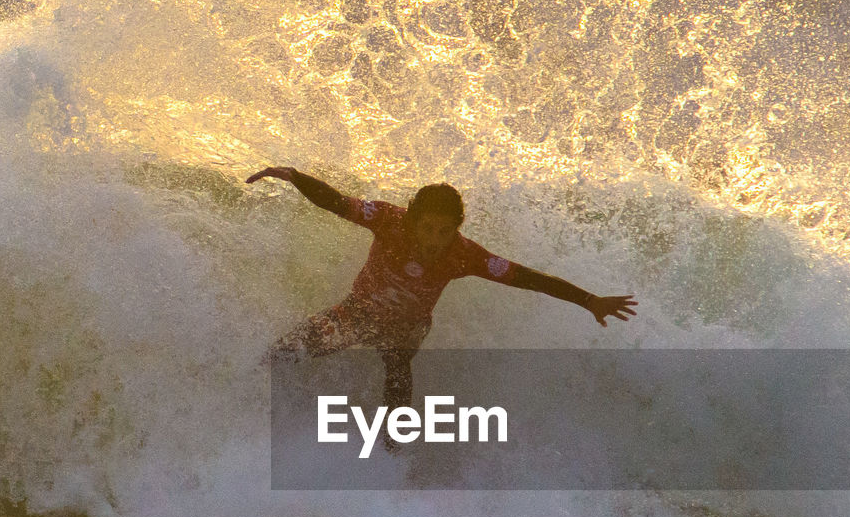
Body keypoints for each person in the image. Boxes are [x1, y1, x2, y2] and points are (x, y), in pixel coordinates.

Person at [246, 166, 637, 415]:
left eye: (445, 231)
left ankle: (391, 454)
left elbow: (525, 278)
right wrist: (294, 176)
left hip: (407, 327)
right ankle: (248, 399)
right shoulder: (387, 220)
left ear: (456, 229)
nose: (436, 239)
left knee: (397, 366)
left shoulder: (463, 255)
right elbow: (335, 201)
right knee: (284, 352)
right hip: (359, 310)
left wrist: (588, 300)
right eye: (429, 228)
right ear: (414, 219)